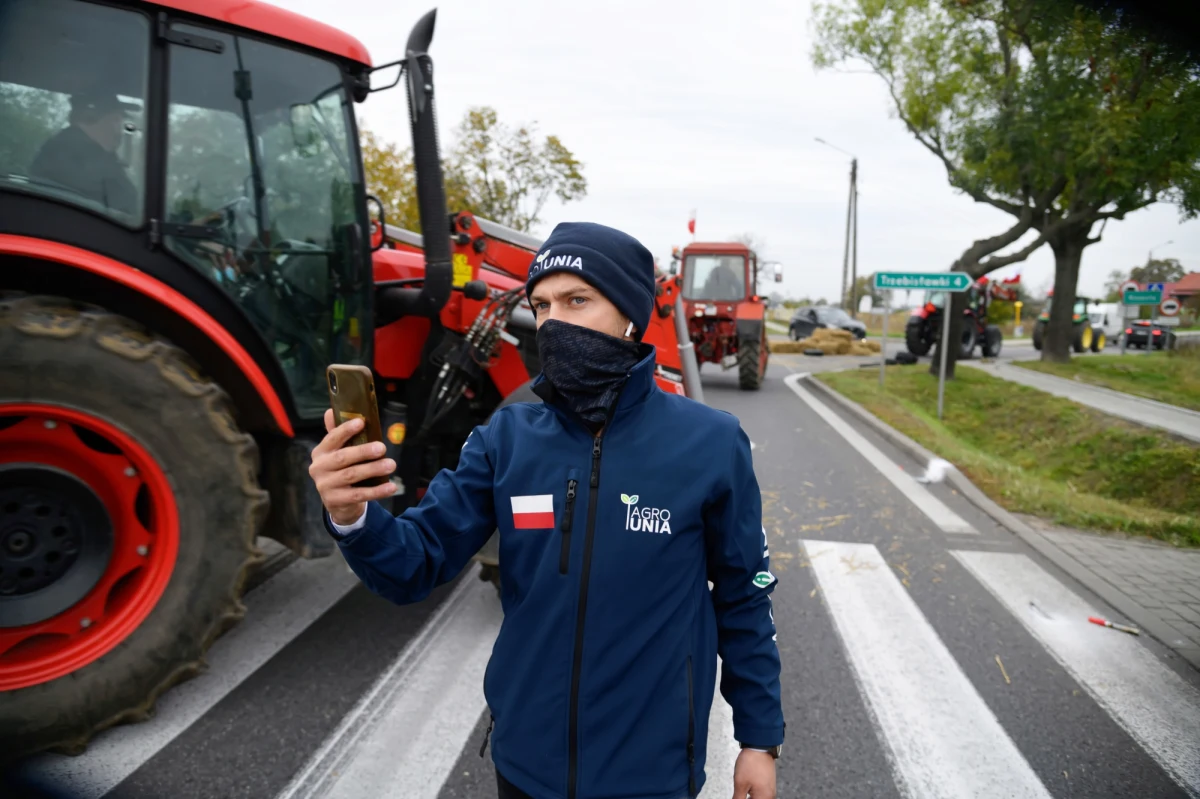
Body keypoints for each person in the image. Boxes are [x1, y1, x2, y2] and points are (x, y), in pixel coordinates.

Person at [308, 222, 784, 799]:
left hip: (652, 775)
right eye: (542, 304)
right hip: (525, 768)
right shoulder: (505, 438)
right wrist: (354, 515)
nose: (555, 321)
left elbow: (743, 597)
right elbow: (414, 565)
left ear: (630, 313)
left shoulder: (710, 443)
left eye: (577, 300)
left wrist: (759, 739)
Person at [29, 89, 136, 216]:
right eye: (116, 119)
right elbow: (123, 204)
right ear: (91, 118)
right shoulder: (70, 154)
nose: (119, 129)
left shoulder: (65, 149)